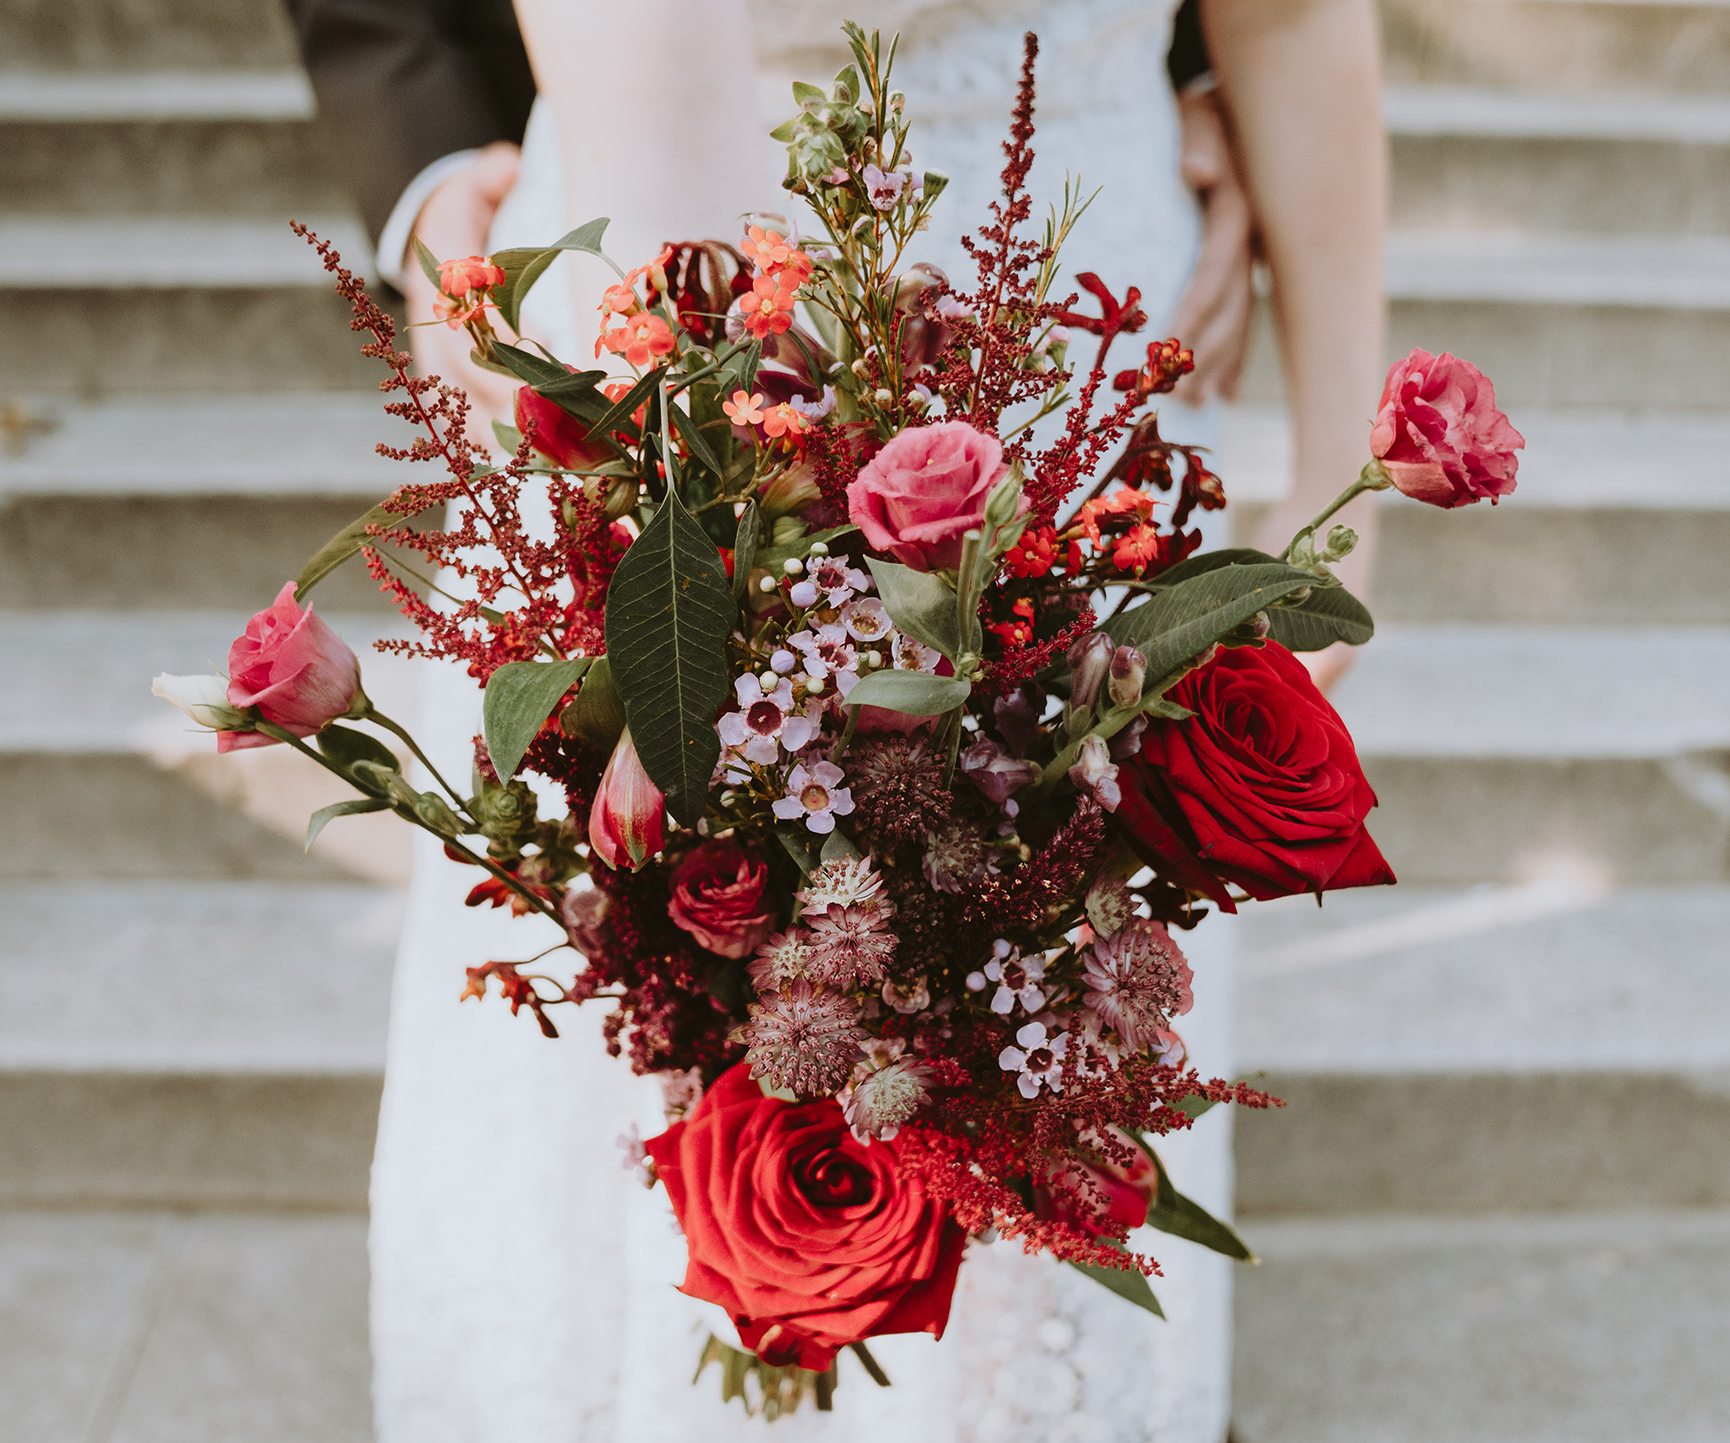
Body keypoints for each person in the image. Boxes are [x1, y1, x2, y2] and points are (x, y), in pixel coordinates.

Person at [290, 2, 1383, 1437]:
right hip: (684, 324)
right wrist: (752, 603)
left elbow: (1294, 18)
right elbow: (666, 146)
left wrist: (1340, 486)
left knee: (1044, 1016)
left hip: (1090, 316)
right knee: (722, 1050)